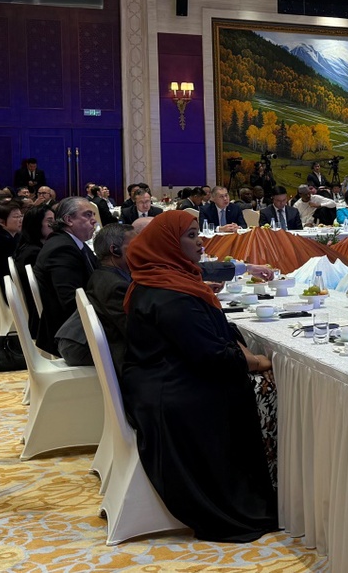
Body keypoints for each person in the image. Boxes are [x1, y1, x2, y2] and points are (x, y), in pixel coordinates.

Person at [121, 210, 278, 542]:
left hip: (157, 377)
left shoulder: (164, 278)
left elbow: (210, 337)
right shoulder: (170, 294)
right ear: (168, 244)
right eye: (191, 236)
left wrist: (245, 355)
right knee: (265, 388)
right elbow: (212, 356)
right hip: (170, 391)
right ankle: (258, 492)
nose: (201, 242)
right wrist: (261, 362)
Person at [54, 223, 135, 368]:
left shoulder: (104, 273)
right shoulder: (115, 285)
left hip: (76, 340)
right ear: (115, 250)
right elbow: (132, 331)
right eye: (134, 247)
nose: (141, 251)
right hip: (80, 347)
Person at [35, 197, 99, 354]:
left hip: (72, 328)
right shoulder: (62, 249)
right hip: (69, 337)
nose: (94, 221)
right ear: (69, 220)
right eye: (88, 215)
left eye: (93, 215)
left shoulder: (72, 243)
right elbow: (71, 301)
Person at [15, 204, 55, 333]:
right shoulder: (34, 254)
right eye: (49, 221)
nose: (54, 225)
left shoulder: (29, 246)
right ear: (36, 224)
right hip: (42, 318)